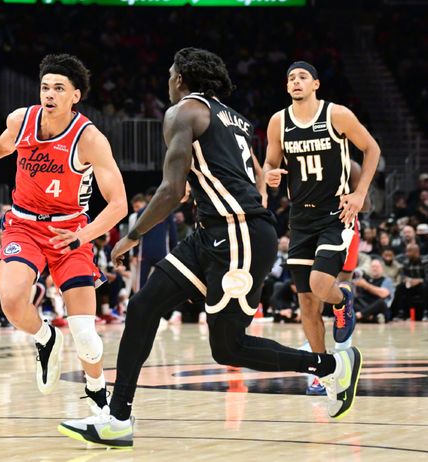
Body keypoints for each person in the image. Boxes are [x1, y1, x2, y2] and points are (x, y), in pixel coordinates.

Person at [58, 48, 362, 448]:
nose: (168, 81)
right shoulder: (233, 117)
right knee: (144, 306)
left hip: (238, 233)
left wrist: (133, 234)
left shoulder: (183, 112)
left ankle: (331, 365)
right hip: (215, 230)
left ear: (182, 78)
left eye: (171, 74)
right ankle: (118, 418)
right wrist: (204, 187)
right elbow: (251, 174)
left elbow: (170, 190)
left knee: (229, 346)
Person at [0, 54, 127, 410]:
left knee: (85, 334)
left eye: (59, 88)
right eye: (45, 87)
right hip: (24, 225)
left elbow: (119, 204)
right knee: (11, 300)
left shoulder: (90, 139)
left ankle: (98, 396)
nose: (50, 94)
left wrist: (83, 236)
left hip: (69, 231)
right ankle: (45, 337)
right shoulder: (21, 120)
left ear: (75, 95)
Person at [263, 61, 379, 395]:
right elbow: (270, 162)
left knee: (320, 284)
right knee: (307, 303)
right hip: (300, 218)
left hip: (335, 213)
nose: (295, 82)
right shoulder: (278, 122)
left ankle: (342, 299)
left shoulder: (336, 115)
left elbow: (371, 148)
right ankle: (323, 369)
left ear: (315, 84)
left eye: (302, 77)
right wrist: (269, 174)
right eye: (290, 78)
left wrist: (360, 193)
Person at [352, 259, 394, 323]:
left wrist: (366, 285)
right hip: (366, 307)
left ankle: (358, 316)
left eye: (377, 267)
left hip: (378, 307)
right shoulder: (366, 279)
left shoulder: (386, 280)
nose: (374, 269)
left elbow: (383, 294)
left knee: (381, 302)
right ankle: (372, 318)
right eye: (373, 267)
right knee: (353, 300)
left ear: (382, 268)